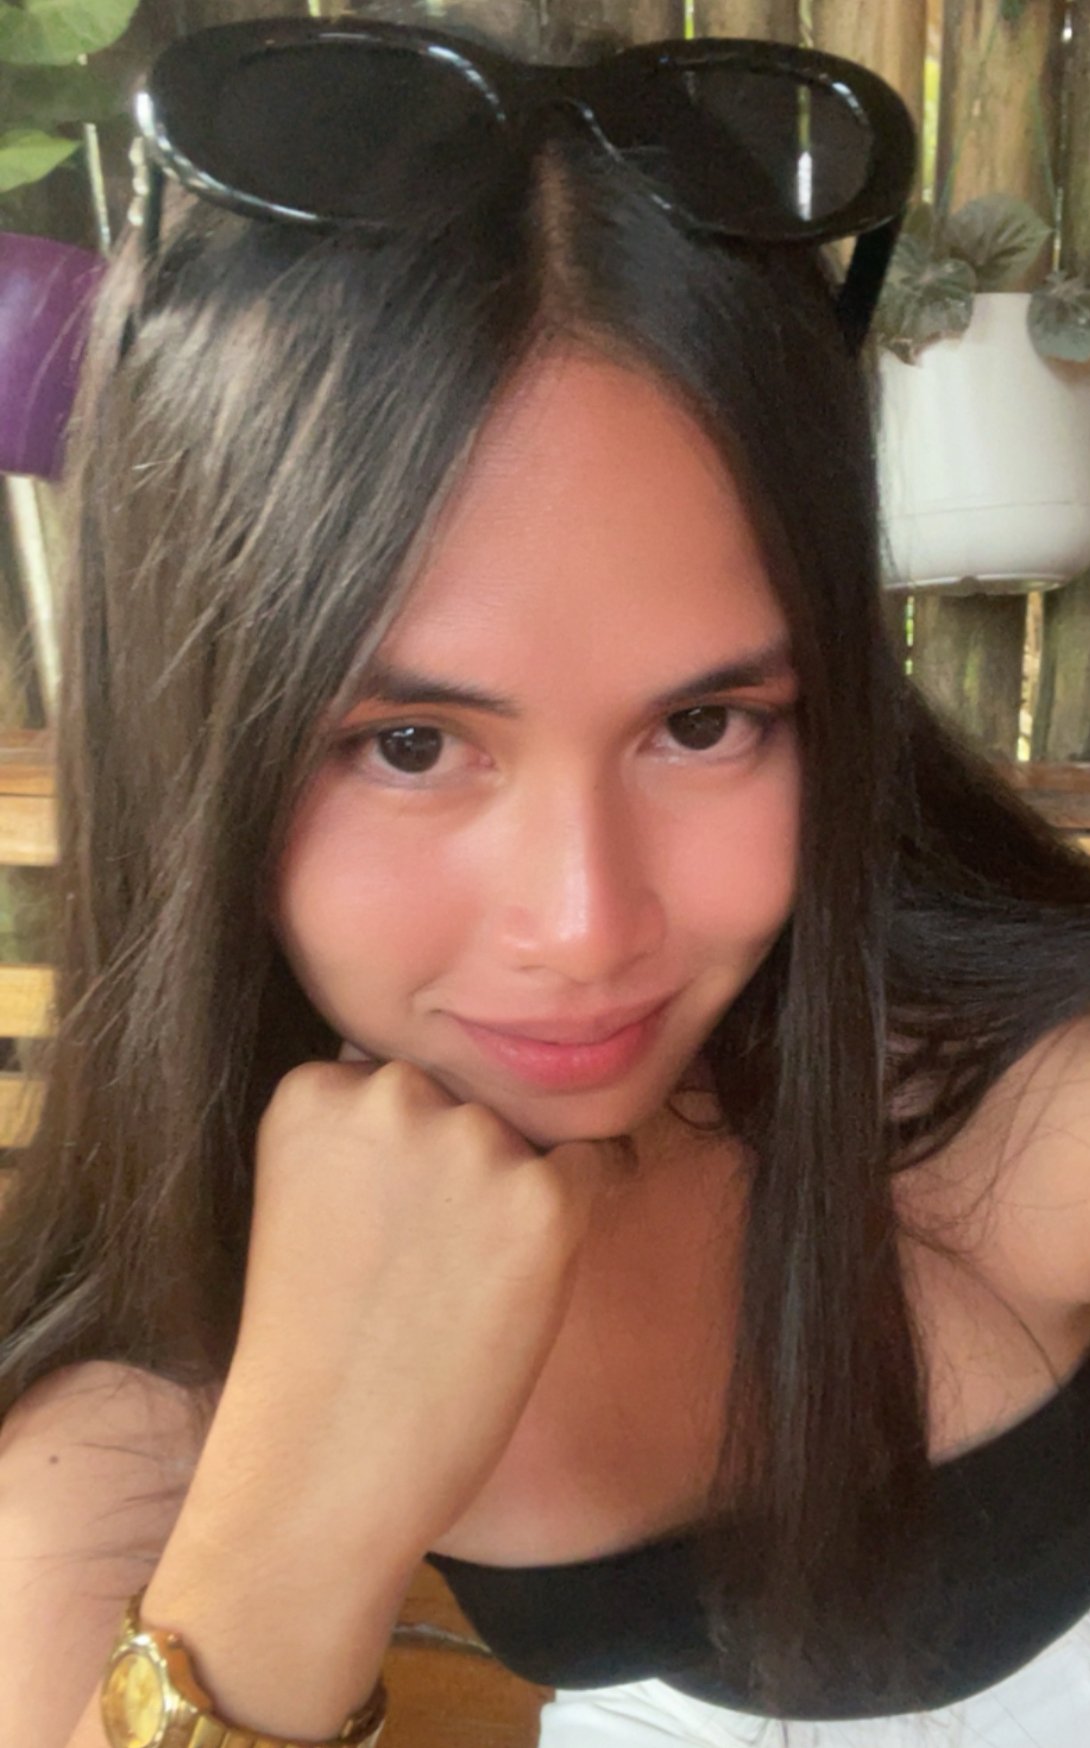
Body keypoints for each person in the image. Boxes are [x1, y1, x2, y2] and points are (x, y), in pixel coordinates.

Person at [2, 11, 1090, 1748]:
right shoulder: (130, 1392)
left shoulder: (1018, 1118)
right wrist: (297, 1510)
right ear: (193, 735)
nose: (585, 925)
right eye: (408, 744)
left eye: (705, 723)